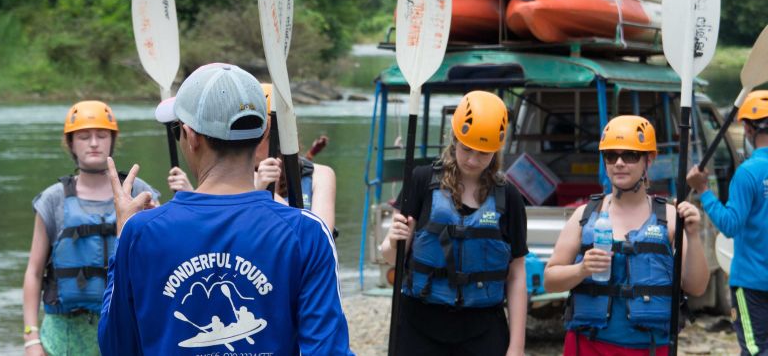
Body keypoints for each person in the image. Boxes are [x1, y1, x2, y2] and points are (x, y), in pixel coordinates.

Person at [99, 63, 351, 354]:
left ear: (190, 136)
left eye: (177, 130)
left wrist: (122, 237)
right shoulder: (308, 232)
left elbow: (115, 345)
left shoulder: (140, 232)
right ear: (265, 130)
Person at [545, 115, 709, 355]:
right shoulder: (585, 215)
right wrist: (581, 270)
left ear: (648, 160)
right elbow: (550, 280)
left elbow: (696, 287)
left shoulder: (670, 218)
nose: (619, 163)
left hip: (649, 348)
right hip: (589, 345)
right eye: (611, 155)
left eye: (630, 155)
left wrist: (693, 237)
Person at [381, 90, 528, 355]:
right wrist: (393, 240)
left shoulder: (510, 197)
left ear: (496, 150)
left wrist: (517, 345)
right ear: (454, 139)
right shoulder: (421, 181)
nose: (472, 160)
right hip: (419, 323)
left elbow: (517, 274)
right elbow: (391, 257)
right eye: (466, 149)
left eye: (483, 153)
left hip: (483, 326)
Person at [21, 100, 159, 355]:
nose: (94, 142)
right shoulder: (52, 199)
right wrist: (31, 337)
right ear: (71, 143)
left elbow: (162, 262)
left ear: (112, 140)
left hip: (126, 327)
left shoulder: (140, 192)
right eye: (84, 136)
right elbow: (33, 272)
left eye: (101, 135)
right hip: (64, 335)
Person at [166, 82, 338, 232]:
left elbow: (319, 236)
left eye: (257, 131)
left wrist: (266, 195)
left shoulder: (319, 175)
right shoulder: (230, 178)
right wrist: (191, 194)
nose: (247, 138)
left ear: (277, 137)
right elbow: (218, 232)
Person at [687, 90, 768, 355]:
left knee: (756, 350)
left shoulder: (748, 173)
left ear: (747, 128)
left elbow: (730, 225)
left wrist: (703, 191)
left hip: (752, 283)